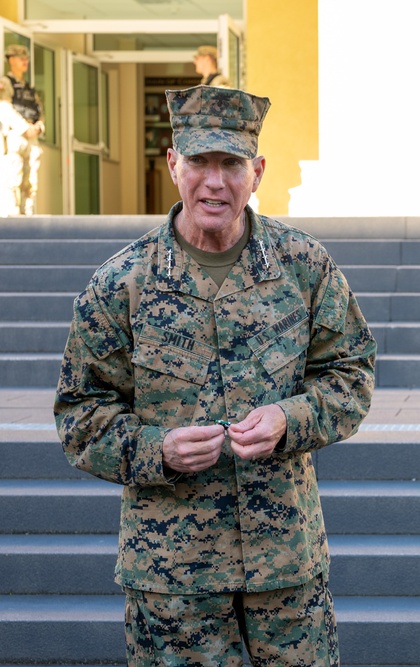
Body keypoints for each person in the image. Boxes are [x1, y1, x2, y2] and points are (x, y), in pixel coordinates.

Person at [54, 84, 377, 666]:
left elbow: (351, 374)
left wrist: (290, 418)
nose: (214, 181)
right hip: (173, 576)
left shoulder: (304, 267)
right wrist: (158, 450)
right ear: (174, 164)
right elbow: (81, 417)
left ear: (257, 171)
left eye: (230, 163)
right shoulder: (120, 285)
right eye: (200, 161)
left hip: (286, 567)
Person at [3, 44, 44, 215]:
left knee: (31, 182)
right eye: (21, 58)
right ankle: (13, 221)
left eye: (26, 58)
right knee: (13, 178)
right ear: (11, 60)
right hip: (16, 136)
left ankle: (28, 217)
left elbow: (39, 111)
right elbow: (4, 108)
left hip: (31, 137)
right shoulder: (5, 83)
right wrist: (24, 129)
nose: (25, 62)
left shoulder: (28, 88)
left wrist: (39, 127)